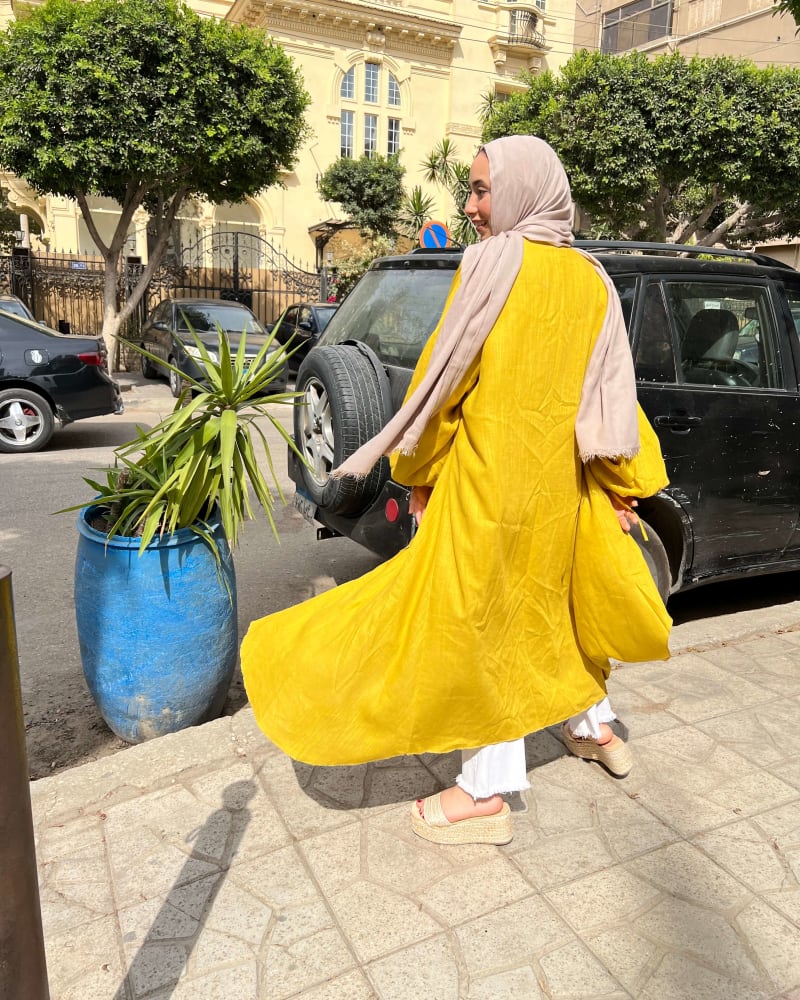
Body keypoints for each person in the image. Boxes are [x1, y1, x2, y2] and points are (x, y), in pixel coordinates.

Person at [241, 135, 671, 846]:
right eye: (470, 190)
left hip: (485, 491)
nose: (471, 207)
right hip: (560, 491)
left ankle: (486, 794)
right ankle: (594, 729)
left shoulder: (494, 262)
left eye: (482, 189)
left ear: (524, 189)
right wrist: (623, 488)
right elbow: (613, 402)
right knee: (557, 610)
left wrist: (415, 475)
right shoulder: (591, 278)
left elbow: (445, 384)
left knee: (481, 631)